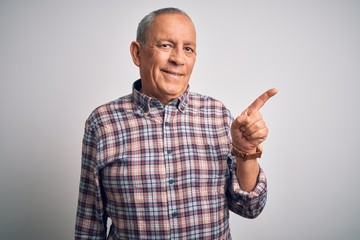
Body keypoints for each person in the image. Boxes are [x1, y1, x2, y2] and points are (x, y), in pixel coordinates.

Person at [75, 7, 277, 240]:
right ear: (137, 53)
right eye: (165, 45)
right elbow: (89, 223)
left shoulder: (217, 115)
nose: (178, 59)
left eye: (188, 49)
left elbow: (250, 207)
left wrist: (247, 151)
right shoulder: (102, 123)